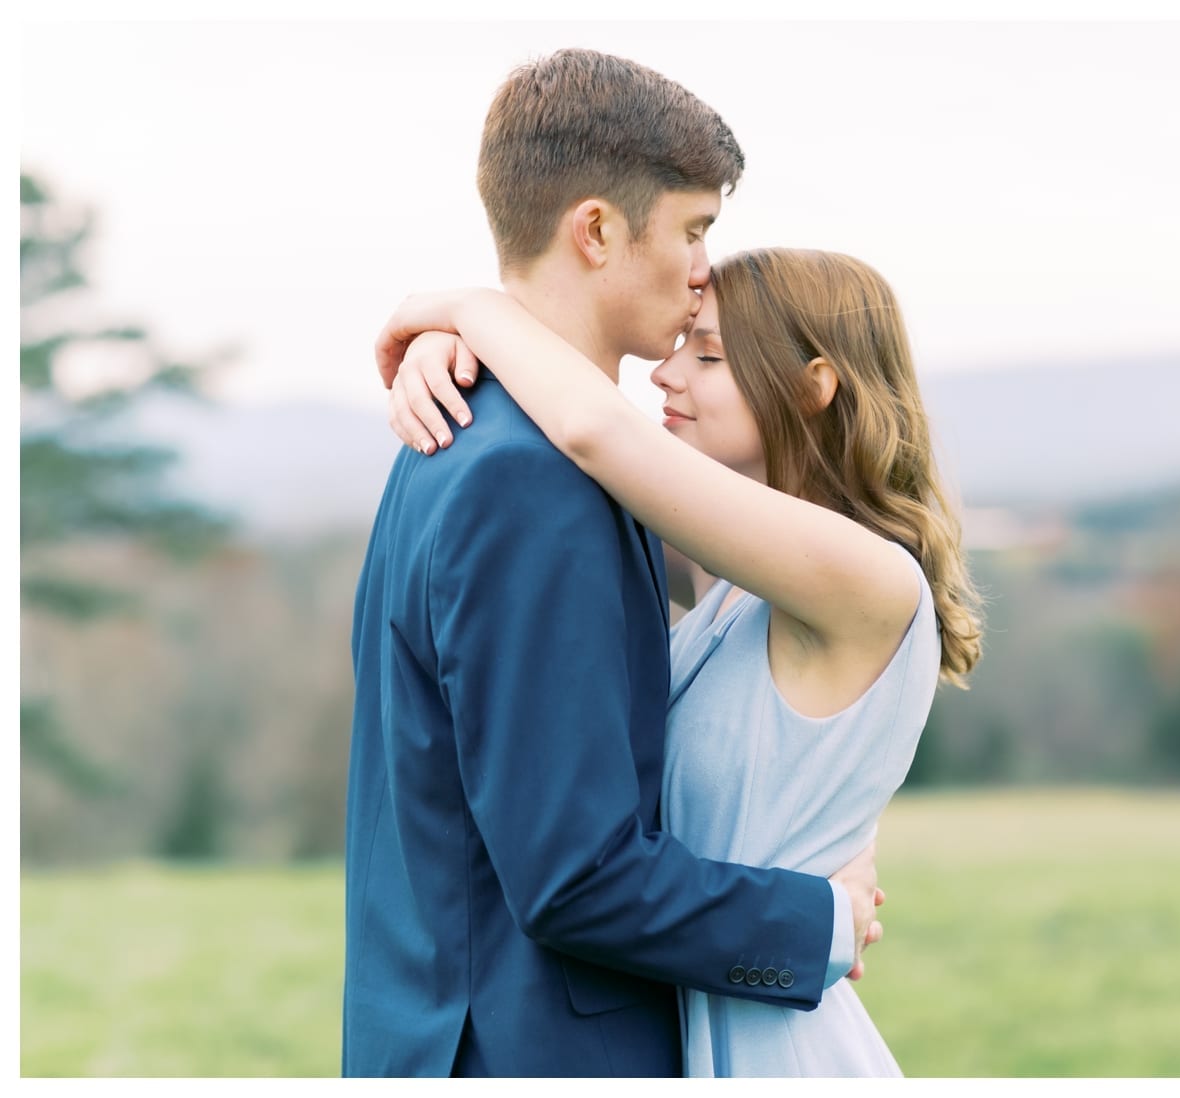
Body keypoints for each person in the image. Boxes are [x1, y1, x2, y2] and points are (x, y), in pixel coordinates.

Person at [344, 50, 884, 1079]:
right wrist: (818, 919)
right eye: (692, 231)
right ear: (595, 230)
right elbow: (576, 878)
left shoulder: (473, 435)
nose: (702, 272)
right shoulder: (527, 482)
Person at [373, 246, 984, 1075]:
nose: (665, 375)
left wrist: (467, 310)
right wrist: (450, 356)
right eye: (680, 345)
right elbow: (548, 485)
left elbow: (592, 430)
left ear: (814, 386)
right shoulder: (728, 581)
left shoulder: (866, 579)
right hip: (693, 1026)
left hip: (778, 1048)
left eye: (709, 355)